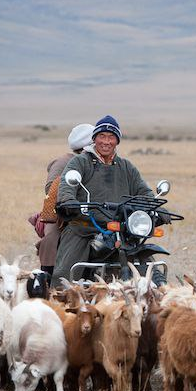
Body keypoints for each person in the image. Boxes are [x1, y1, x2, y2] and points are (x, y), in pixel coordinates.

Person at [53, 115, 165, 284]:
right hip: (84, 227)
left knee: (148, 264)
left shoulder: (126, 166)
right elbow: (66, 188)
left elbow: (144, 192)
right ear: (94, 139)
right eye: (102, 136)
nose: (106, 141)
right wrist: (70, 203)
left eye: (111, 137)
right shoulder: (80, 162)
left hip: (122, 229)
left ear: (117, 141)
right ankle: (59, 300)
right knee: (65, 276)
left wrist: (157, 208)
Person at [36, 123, 94, 278]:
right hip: (62, 214)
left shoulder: (96, 161)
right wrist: (70, 196)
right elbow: (50, 188)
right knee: (52, 238)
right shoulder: (63, 161)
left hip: (91, 211)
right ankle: (47, 275)